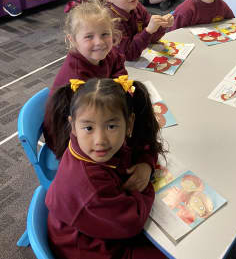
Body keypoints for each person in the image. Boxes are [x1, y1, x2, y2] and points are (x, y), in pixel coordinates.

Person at [45, 77, 167, 259]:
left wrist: (146, 165)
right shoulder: (89, 184)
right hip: (91, 248)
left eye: (111, 126)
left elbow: (142, 146)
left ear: (129, 124)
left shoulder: (95, 147)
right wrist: (145, 187)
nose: (100, 140)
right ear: (73, 127)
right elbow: (132, 222)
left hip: (105, 225)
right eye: (88, 128)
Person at [44, 0, 126, 158]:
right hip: (67, 140)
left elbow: (118, 67)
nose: (99, 42)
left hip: (93, 121)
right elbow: (87, 118)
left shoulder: (108, 54)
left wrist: (117, 86)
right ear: (73, 40)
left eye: (105, 34)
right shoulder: (76, 77)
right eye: (89, 37)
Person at [88, 0, 174, 61]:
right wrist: (148, 31)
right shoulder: (111, 21)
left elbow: (152, 38)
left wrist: (161, 26)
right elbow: (129, 55)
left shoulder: (137, 7)